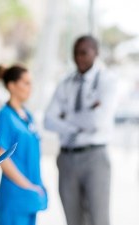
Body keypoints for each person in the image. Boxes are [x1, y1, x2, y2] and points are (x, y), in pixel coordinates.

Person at [44, 35, 117, 225]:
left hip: (95, 157)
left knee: (98, 218)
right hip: (66, 158)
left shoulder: (107, 81)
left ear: (96, 53)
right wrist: (82, 120)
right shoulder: (66, 82)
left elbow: (97, 120)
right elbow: (48, 120)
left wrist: (65, 117)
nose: (79, 57)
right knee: (73, 219)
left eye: (84, 52)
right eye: (75, 53)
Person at [0, 65, 47, 225]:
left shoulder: (27, 116)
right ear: (11, 86)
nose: (30, 88)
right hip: (15, 194)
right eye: (26, 83)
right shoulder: (4, 116)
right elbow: (0, 156)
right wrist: (27, 186)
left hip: (30, 194)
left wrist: (35, 187)